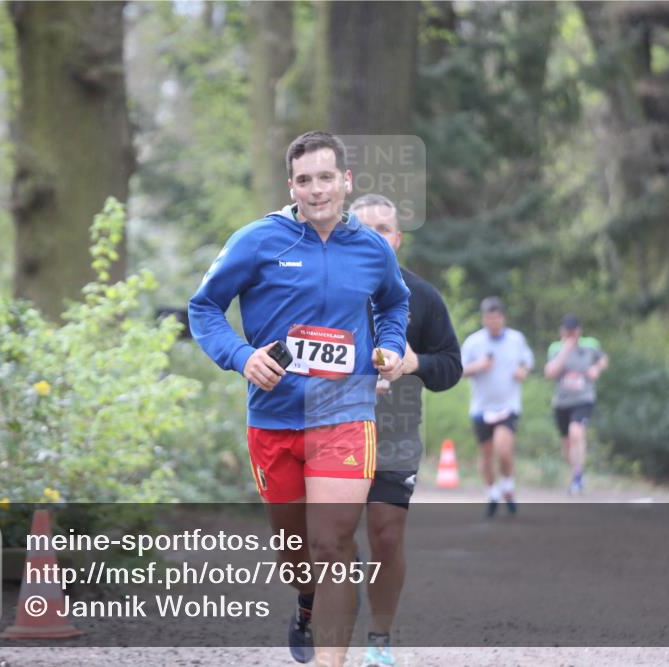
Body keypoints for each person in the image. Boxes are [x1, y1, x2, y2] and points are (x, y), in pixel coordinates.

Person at [188, 131, 409, 667]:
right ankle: (306, 601)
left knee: (333, 545)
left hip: (345, 413)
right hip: (275, 417)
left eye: (326, 178)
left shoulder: (372, 248)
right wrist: (242, 357)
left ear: (346, 181)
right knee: (295, 557)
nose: (317, 190)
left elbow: (395, 304)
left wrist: (390, 347)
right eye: (305, 180)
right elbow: (204, 309)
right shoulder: (258, 241)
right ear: (292, 186)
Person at [349, 195, 462, 667]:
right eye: (365, 227)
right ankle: (327, 596)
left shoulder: (422, 297)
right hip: (331, 429)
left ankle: (379, 636)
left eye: (385, 228)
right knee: (326, 539)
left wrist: (415, 362)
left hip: (394, 436)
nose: (377, 235)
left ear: (397, 238)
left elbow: (451, 366)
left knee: (387, 537)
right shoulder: (324, 291)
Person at [461, 298, 534, 518]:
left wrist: (523, 370)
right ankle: (492, 492)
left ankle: (508, 485)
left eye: (497, 318)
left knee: (503, 448)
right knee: (485, 454)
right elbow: (460, 370)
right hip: (482, 407)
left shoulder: (516, 339)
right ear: (483, 319)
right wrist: (478, 366)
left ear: (503, 318)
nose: (493, 322)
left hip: (508, 405)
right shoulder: (473, 342)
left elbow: (527, 361)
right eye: (489, 318)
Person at [544, 314, 608, 495]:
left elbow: (603, 358)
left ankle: (577, 476)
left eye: (574, 331)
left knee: (576, 431)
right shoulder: (555, 348)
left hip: (584, 399)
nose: (571, 335)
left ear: (580, 330)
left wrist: (596, 368)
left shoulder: (590, 345)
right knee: (567, 444)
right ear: (562, 331)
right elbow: (549, 373)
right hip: (562, 402)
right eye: (567, 331)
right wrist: (566, 350)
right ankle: (575, 471)